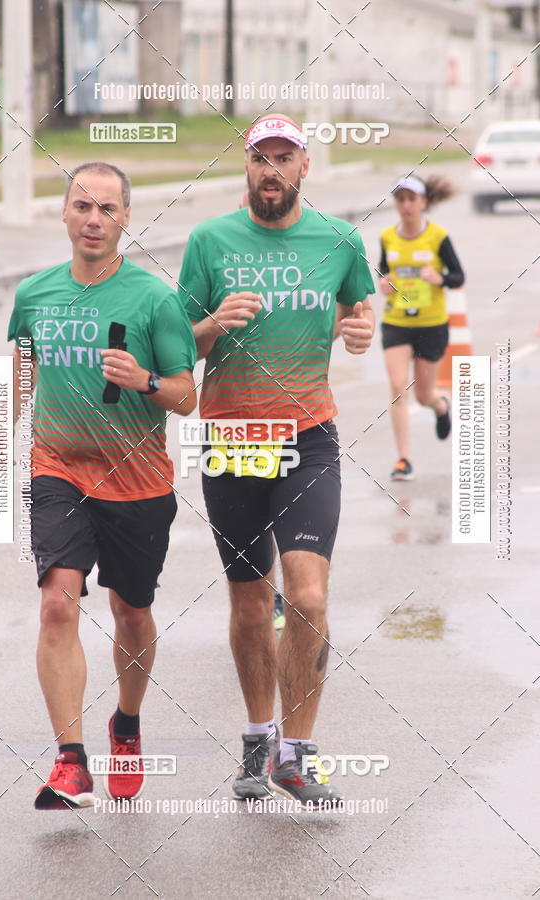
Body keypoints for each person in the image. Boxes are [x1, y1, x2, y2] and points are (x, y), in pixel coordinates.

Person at [178, 115, 375, 806]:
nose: (270, 169)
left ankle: (299, 750)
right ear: (246, 164)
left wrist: (360, 330)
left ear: (304, 166)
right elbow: (180, 352)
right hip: (232, 437)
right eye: (260, 157)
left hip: (307, 437)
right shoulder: (209, 241)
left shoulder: (340, 239)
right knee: (251, 602)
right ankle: (259, 733)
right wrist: (210, 325)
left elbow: (360, 312)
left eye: (283, 157)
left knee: (310, 596)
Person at [8, 162, 197, 809]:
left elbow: (186, 394)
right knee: (57, 603)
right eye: (82, 206)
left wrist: (145, 379)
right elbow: (23, 376)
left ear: (125, 219)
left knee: (131, 611)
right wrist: (0, 446)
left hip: (139, 480)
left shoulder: (154, 299)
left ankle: (127, 724)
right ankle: (70, 761)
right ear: (63, 213)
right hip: (57, 467)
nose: (94, 219)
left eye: (107, 209)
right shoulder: (34, 294)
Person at [378, 174, 465, 481]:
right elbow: (384, 273)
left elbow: (458, 277)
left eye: (411, 199)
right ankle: (403, 459)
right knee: (398, 386)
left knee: (423, 395)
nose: (405, 205)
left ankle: (440, 405)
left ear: (423, 202)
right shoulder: (388, 237)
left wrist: (439, 278)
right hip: (397, 322)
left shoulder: (438, 237)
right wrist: (384, 284)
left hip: (431, 324)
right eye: (400, 199)